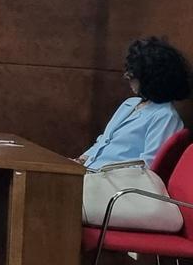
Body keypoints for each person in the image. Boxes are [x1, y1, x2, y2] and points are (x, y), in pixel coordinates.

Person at [79, 37, 190, 170]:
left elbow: (148, 166)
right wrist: (80, 160)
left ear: (152, 77)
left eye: (133, 72)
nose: (127, 75)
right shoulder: (130, 103)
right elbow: (103, 141)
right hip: (89, 172)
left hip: (113, 183)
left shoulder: (165, 117)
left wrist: (98, 174)